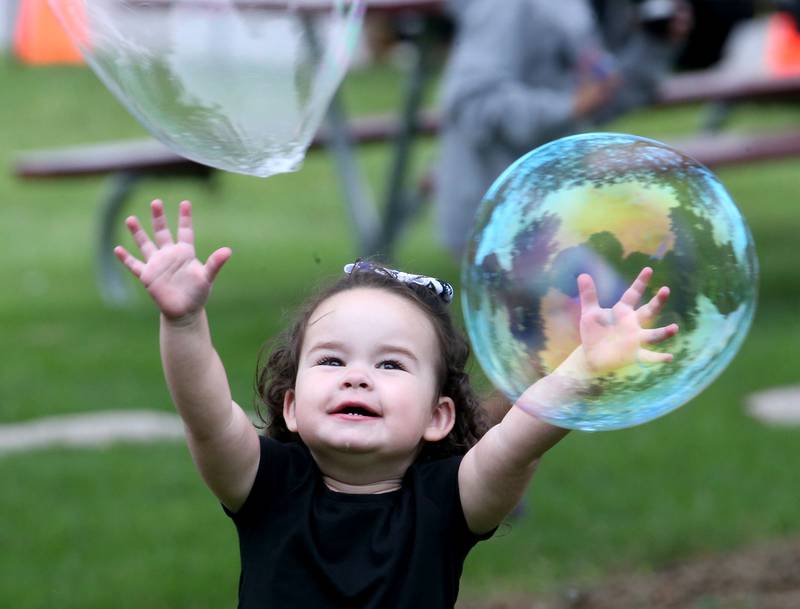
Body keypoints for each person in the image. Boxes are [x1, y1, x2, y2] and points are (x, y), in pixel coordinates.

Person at [113, 198, 679, 609]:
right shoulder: (266, 487)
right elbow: (206, 415)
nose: (357, 377)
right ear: (290, 406)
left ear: (439, 416)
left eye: (390, 365)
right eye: (332, 361)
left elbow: (521, 437)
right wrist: (184, 320)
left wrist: (586, 368)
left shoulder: (448, 503)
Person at [435, 0, 692, 257]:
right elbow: (473, 103)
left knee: (667, 251)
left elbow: (602, 98)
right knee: (616, 293)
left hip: (556, 210)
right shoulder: (504, 7)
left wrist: (654, 46)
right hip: (502, 217)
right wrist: (569, 107)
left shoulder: (581, 8)